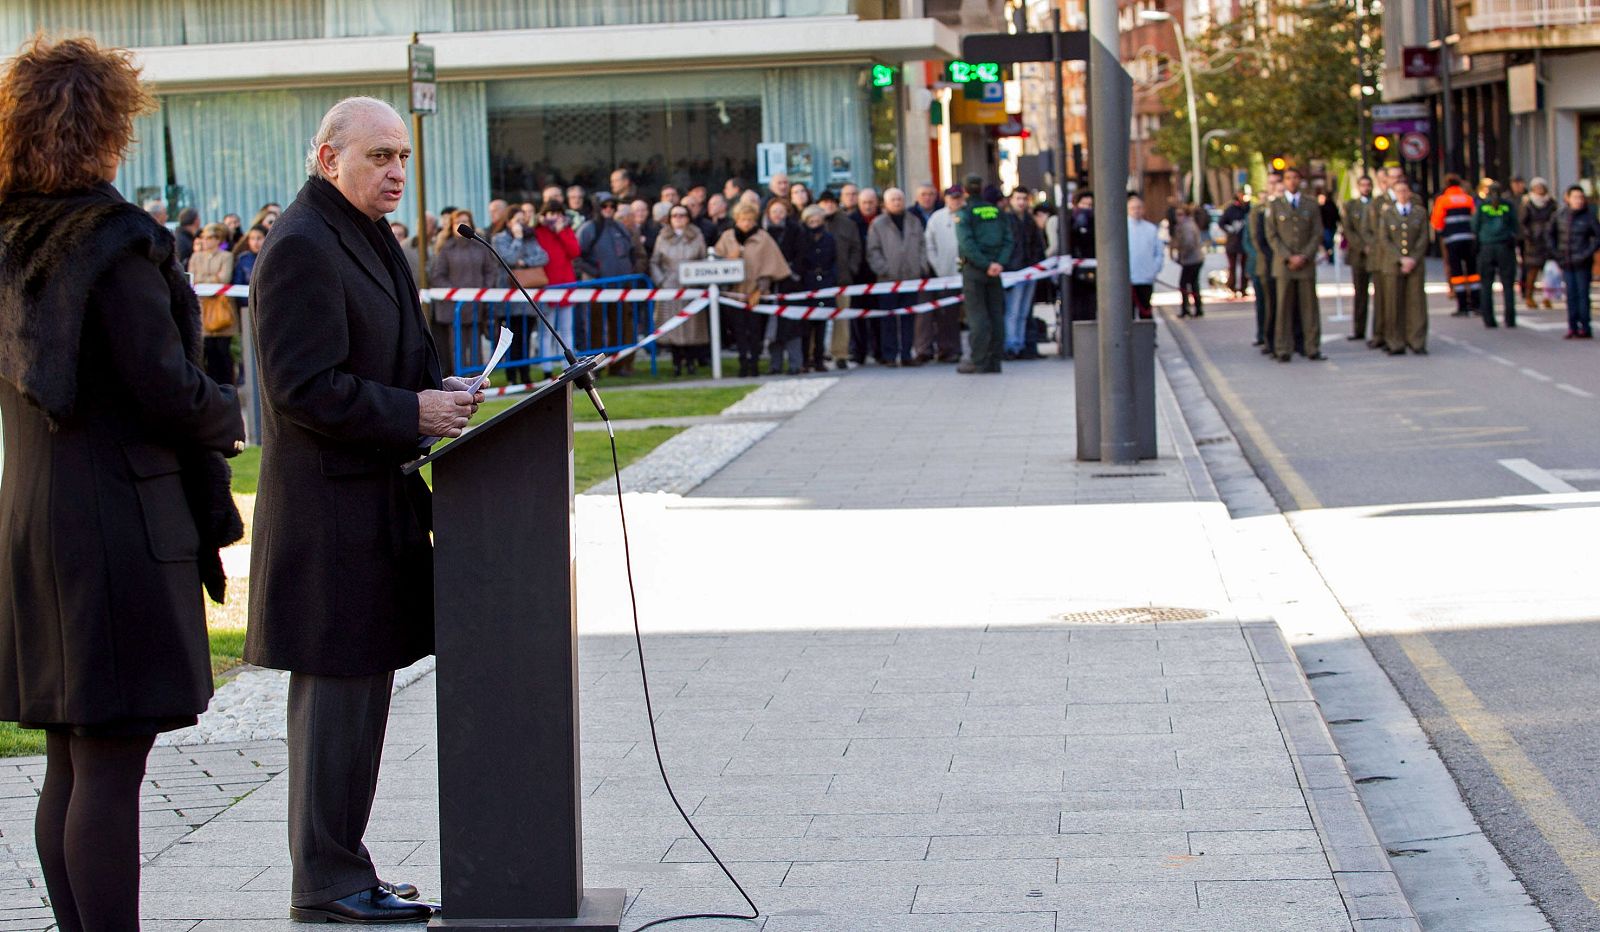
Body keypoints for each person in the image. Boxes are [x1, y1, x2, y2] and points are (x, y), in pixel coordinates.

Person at [0, 36, 245, 932]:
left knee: (71, 756)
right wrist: (226, 411)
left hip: (32, 515)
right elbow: (163, 388)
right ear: (108, 126)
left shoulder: (9, 235)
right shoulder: (112, 240)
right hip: (115, 521)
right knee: (108, 764)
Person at [250, 96, 484, 924]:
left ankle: (345, 868)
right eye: (378, 155)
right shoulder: (302, 246)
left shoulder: (369, 235)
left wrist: (442, 389)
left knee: (360, 709)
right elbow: (301, 386)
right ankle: (325, 883)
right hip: (328, 519)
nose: (394, 171)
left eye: (403, 158)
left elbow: (391, 356)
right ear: (328, 158)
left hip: (373, 509)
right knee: (335, 711)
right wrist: (409, 413)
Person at [714, 201, 791, 377]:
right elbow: (715, 264)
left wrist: (760, 290)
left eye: (750, 219)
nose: (746, 223)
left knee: (756, 331)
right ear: (736, 219)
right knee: (738, 331)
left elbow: (772, 266)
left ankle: (755, 362)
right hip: (733, 295)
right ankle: (742, 362)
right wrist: (728, 260)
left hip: (757, 294)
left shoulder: (763, 238)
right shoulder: (727, 237)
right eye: (742, 219)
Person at [428, 207, 500, 374]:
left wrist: (484, 290)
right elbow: (438, 276)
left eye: (466, 221)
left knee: (476, 347)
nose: (462, 224)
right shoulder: (446, 249)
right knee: (457, 347)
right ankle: (460, 381)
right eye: (457, 222)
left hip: (477, 306)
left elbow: (491, 270)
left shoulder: (481, 246)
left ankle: (478, 380)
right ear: (451, 226)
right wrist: (455, 293)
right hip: (456, 308)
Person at [955, 174, 1012, 374]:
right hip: (995, 269)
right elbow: (1008, 239)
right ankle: (994, 360)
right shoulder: (996, 211)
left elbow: (966, 243)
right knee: (996, 315)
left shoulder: (965, 213)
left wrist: (984, 264)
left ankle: (978, 360)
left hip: (975, 270)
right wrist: (998, 263)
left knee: (977, 316)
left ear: (965, 190)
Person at [1266, 167, 1325, 361]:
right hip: (1284, 264)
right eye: (1288, 178)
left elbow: (1317, 232)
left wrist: (1304, 255)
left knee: (1309, 307)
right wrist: (1288, 256)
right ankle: (1283, 348)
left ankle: (1312, 347)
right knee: (1283, 307)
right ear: (1284, 181)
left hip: (1305, 263)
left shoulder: (1310, 203)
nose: (1292, 181)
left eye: (1295, 178)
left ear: (1300, 180)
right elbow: (1272, 235)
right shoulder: (1275, 205)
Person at [865, 187, 927, 368]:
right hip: (887, 280)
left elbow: (922, 245)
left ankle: (907, 353)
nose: (897, 202)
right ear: (886, 203)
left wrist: (921, 266)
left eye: (900, 199)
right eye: (893, 199)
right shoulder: (878, 224)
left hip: (911, 278)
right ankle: (890, 355)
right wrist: (884, 269)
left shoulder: (914, 221)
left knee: (909, 319)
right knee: (888, 320)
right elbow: (872, 251)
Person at [491, 205, 552, 384]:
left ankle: (525, 376)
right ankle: (512, 377)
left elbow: (543, 257)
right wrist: (517, 239)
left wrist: (523, 262)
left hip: (528, 298)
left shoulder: (531, 237)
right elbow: (508, 259)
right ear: (509, 222)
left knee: (525, 338)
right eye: (517, 220)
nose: (521, 224)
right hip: (508, 299)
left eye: (523, 220)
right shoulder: (499, 239)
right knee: (511, 340)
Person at [649, 202, 709, 375]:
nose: (678, 219)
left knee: (691, 328)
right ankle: (676, 364)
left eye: (682, 215)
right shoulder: (662, 237)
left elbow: (703, 258)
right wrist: (661, 281)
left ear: (688, 218)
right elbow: (654, 261)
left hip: (691, 288)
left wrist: (698, 279)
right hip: (670, 288)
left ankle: (691, 363)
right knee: (672, 327)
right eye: (674, 215)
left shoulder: (697, 236)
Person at [1376, 177, 1430, 355]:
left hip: (1415, 263)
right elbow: (1384, 239)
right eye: (1399, 191)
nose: (1402, 195)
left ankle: (1417, 341)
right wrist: (1400, 258)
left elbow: (1423, 237)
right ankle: (1395, 342)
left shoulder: (1419, 212)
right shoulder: (1387, 213)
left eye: (1405, 191)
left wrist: (1412, 258)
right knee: (1393, 304)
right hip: (1393, 264)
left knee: (1416, 304)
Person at [531, 200, 581, 378]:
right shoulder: (538, 231)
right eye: (551, 213)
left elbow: (574, 251)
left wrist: (561, 232)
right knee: (546, 331)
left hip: (566, 285)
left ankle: (568, 365)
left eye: (558, 213)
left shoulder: (566, 230)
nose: (555, 217)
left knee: (566, 329)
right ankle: (546, 368)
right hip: (546, 286)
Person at [921, 184, 967, 363]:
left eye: (958, 197)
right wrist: (938, 266)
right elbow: (929, 245)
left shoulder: (969, 215)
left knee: (971, 313)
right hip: (946, 275)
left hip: (968, 273)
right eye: (952, 197)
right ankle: (948, 350)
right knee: (947, 315)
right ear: (946, 199)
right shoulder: (937, 218)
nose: (955, 201)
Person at [188, 222, 237, 385]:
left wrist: (206, 280)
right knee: (207, 352)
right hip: (203, 310)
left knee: (223, 352)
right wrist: (212, 278)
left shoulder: (227, 256)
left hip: (222, 309)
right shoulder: (195, 257)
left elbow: (224, 278)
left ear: (218, 239)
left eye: (210, 238)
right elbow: (193, 278)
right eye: (203, 238)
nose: (206, 241)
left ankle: (228, 387)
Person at [1549, 185, 1600, 339]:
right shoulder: (1559, 215)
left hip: (1582, 262)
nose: (1578, 200)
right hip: (1566, 262)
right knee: (1570, 295)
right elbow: (1550, 235)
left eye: (1580, 197)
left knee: (1583, 294)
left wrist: (1586, 253)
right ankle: (1572, 327)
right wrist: (1556, 254)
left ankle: (1585, 327)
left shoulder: (1589, 216)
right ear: (1567, 198)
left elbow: (1598, 237)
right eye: (1575, 197)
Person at [818, 189, 862, 370]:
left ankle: (841, 353)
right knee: (815, 319)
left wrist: (851, 269)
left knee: (842, 319)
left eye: (832, 202)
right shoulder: (813, 222)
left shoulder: (847, 224)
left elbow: (856, 248)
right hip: (819, 280)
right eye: (825, 202)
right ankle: (816, 353)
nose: (828, 205)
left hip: (842, 278)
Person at [1003, 186, 1045, 357]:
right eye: (1017, 198)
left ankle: (1019, 343)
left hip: (1030, 270)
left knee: (1024, 311)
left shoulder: (1029, 221)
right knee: (1013, 310)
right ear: (1011, 200)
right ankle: (1011, 345)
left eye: (1024, 199)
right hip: (1014, 272)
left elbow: (1037, 245)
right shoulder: (1007, 220)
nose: (1021, 202)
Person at [1431, 173, 1481, 316]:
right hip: (1469, 239)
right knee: (1473, 272)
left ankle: (1462, 306)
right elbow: (1475, 218)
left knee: (1457, 272)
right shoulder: (1468, 199)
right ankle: (1476, 303)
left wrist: (1444, 232)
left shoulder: (1443, 200)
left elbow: (1436, 222)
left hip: (1452, 240)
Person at [795, 205, 838, 372]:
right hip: (808, 283)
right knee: (806, 325)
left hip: (825, 282)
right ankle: (805, 360)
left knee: (821, 324)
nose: (815, 224)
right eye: (811, 221)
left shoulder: (829, 238)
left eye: (818, 221)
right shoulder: (802, 238)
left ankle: (819, 359)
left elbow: (834, 258)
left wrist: (832, 278)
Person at [1472, 183, 1519, 328]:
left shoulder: (1482, 206)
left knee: (1486, 284)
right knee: (1508, 285)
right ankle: (1510, 319)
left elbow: (1474, 226)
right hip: (1504, 246)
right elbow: (1515, 225)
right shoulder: (1507, 206)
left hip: (1487, 247)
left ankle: (1488, 319)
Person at [848, 187, 882, 364]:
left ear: (877, 203)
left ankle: (879, 351)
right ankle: (858, 351)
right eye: (864, 203)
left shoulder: (883, 220)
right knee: (857, 317)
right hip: (858, 276)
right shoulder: (851, 221)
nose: (868, 206)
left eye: (871, 202)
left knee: (879, 316)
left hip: (879, 276)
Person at [1250, 172, 1282, 350]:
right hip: (1267, 263)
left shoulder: (1286, 207)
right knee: (1268, 304)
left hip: (1284, 263)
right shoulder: (1260, 209)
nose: (1274, 186)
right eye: (1271, 183)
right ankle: (1267, 338)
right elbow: (1257, 239)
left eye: (1278, 182)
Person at [1343, 176, 1375, 341]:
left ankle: (1379, 332)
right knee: (1360, 294)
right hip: (1358, 255)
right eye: (1363, 185)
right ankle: (1359, 329)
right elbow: (1348, 229)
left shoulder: (1377, 204)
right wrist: (1363, 246)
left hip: (1376, 254)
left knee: (1382, 295)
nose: (1366, 188)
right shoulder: (1351, 205)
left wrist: (1374, 246)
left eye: (1368, 185)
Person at [1519, 178, 1557, 310]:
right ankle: (1529, 296)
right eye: (1537, 187)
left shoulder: (1551, 202)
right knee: (1532, 271)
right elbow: (1522, 222)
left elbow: (1555, 219)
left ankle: (1548, 297)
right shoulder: (1527, 202)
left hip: (1548, 239)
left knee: (1549, 272)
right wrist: (1528, 235)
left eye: (1542, 186)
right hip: (1533, 240)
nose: (1539, 189)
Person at [1126, 194, 1164, 320]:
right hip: (1128, 279)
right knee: (1128, 313)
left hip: (1145, 278)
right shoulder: (1123, 228)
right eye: (1133, 208)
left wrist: (1154, 269)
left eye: (1139, 207)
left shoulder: (1151, 228)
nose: (1136, 210)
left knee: (1145, 312)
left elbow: (1159, 252)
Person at [1065, 190, 1097, 322]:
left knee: (1090, 305)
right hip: (1073, 274)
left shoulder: (1095, 223)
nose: (1087, 208)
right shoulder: (1069, 222)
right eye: (1084, 204)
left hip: (1092, 271)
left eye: (1090, 205)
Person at [1171, 205, 1206, 318]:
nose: (1177, 217)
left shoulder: (1187, 226)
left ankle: (1188, 308)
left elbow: (1189, 244)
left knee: (1185, 284)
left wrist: (1182, 255)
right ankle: (1197, 307)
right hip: (1193, 259)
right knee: (1193, 284)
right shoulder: (1184, 225)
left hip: (1192, 260)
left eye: (1180, 214)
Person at [1220, 191, 1250, 297]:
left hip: (1245, 242)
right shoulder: (1231, 209)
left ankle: (1243, 287)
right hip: (1233, 242)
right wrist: (1229, 229)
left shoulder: (1248, 208)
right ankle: (1231, 286)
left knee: (1245, 267)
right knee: (1232, 267)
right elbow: (1222, 222)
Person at [1318, 189, 1340, 262]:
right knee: (1328, 242)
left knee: (1329, 242)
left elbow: (1336, 215)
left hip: (1330, 226)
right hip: (1326, 227)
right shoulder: (1323, 206)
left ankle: (1330, 256)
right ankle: (1329, 254)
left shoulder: (1331, 205)